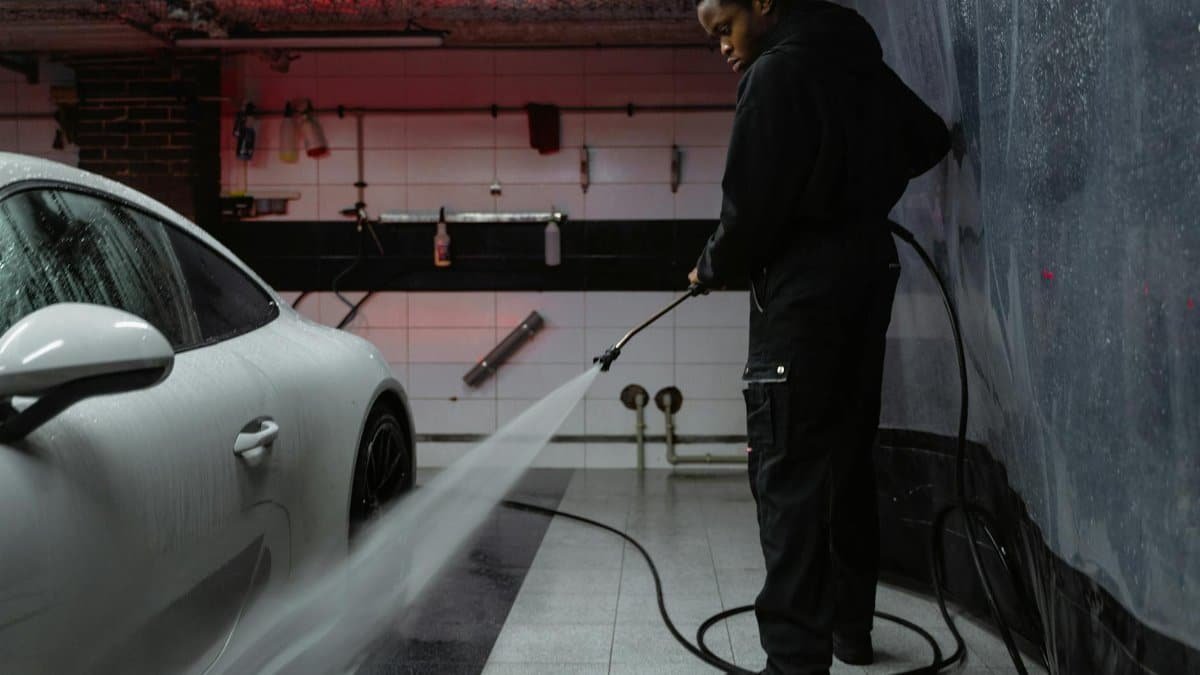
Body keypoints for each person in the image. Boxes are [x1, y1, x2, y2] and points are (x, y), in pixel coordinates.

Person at [687, 1, 951, 673]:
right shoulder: (858, 63)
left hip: (801, 296)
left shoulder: (774, 75)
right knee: (844, 458)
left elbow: (747, 209)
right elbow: (928, 139)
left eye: (726, 27)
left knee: (788, 470)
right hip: (866, 276)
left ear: (765, 5)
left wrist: (712, 265)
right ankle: (849, 629)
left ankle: (795, 660)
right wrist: (856, 192)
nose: (722, 47)